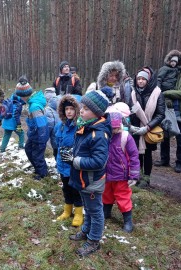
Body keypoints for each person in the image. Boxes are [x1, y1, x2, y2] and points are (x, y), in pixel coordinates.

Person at [62, 90, 111, 257]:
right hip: (83, 179)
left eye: (85, 109)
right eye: (81, 107)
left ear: (97, 113)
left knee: (95, 211)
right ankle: (86, 231)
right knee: (88, 210)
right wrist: (71, 153)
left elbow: (99, 161)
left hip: (91, 181)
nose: (81, 111)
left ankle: (94, 240)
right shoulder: (87, 127)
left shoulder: (99, 134)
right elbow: (83, 150)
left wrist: (75, 161)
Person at [102, 111, 140, 233]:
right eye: (112, 128)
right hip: (106, 174)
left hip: (122, 175)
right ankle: (105, 212)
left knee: (123, 197)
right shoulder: (104, 136)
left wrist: (133, 175)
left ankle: (127, 219)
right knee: (106, 194)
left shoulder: (125, 137)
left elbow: (134, 156)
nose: (114, 130)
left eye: (116, 128)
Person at [128, 67, 165, 188]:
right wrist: (131, 126)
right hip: (136, 128)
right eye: (138, 79)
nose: (140, 81)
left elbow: (160, 114)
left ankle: (146, 179)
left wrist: (148, 127)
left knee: (147, 154)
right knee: (136, 154)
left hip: (150, 129)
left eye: (143, 79)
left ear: (148, 80)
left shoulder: (157, 93)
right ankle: (137, 176)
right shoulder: (133, 93)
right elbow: (131, 109)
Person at [55, 94, 83, 227]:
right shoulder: (61, 126)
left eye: (72, 109)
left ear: (76, 110)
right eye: (66, 109)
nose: (69, 112)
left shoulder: (79, 127)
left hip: (74, 165)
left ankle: (78, 212)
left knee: (75, 189)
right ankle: (67, 210)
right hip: (62, 163)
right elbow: (58, 144)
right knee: (66, 188)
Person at [17, 76, 49, 180]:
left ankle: (42, 173)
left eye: (21, 96)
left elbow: (42, 125)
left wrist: (41, 139)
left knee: (37, 155)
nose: (20, 99)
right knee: (28, 150)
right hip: (34, 134)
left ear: (24, 96)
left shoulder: (34, 106)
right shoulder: (31, 102)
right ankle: (39, 167)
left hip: (39, 136)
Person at [44, 87, 61, 160]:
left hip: (54, 137)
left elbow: (49, 126)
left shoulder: (47, 110)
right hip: (60, 137)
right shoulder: (60, 104)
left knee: (56, 151)